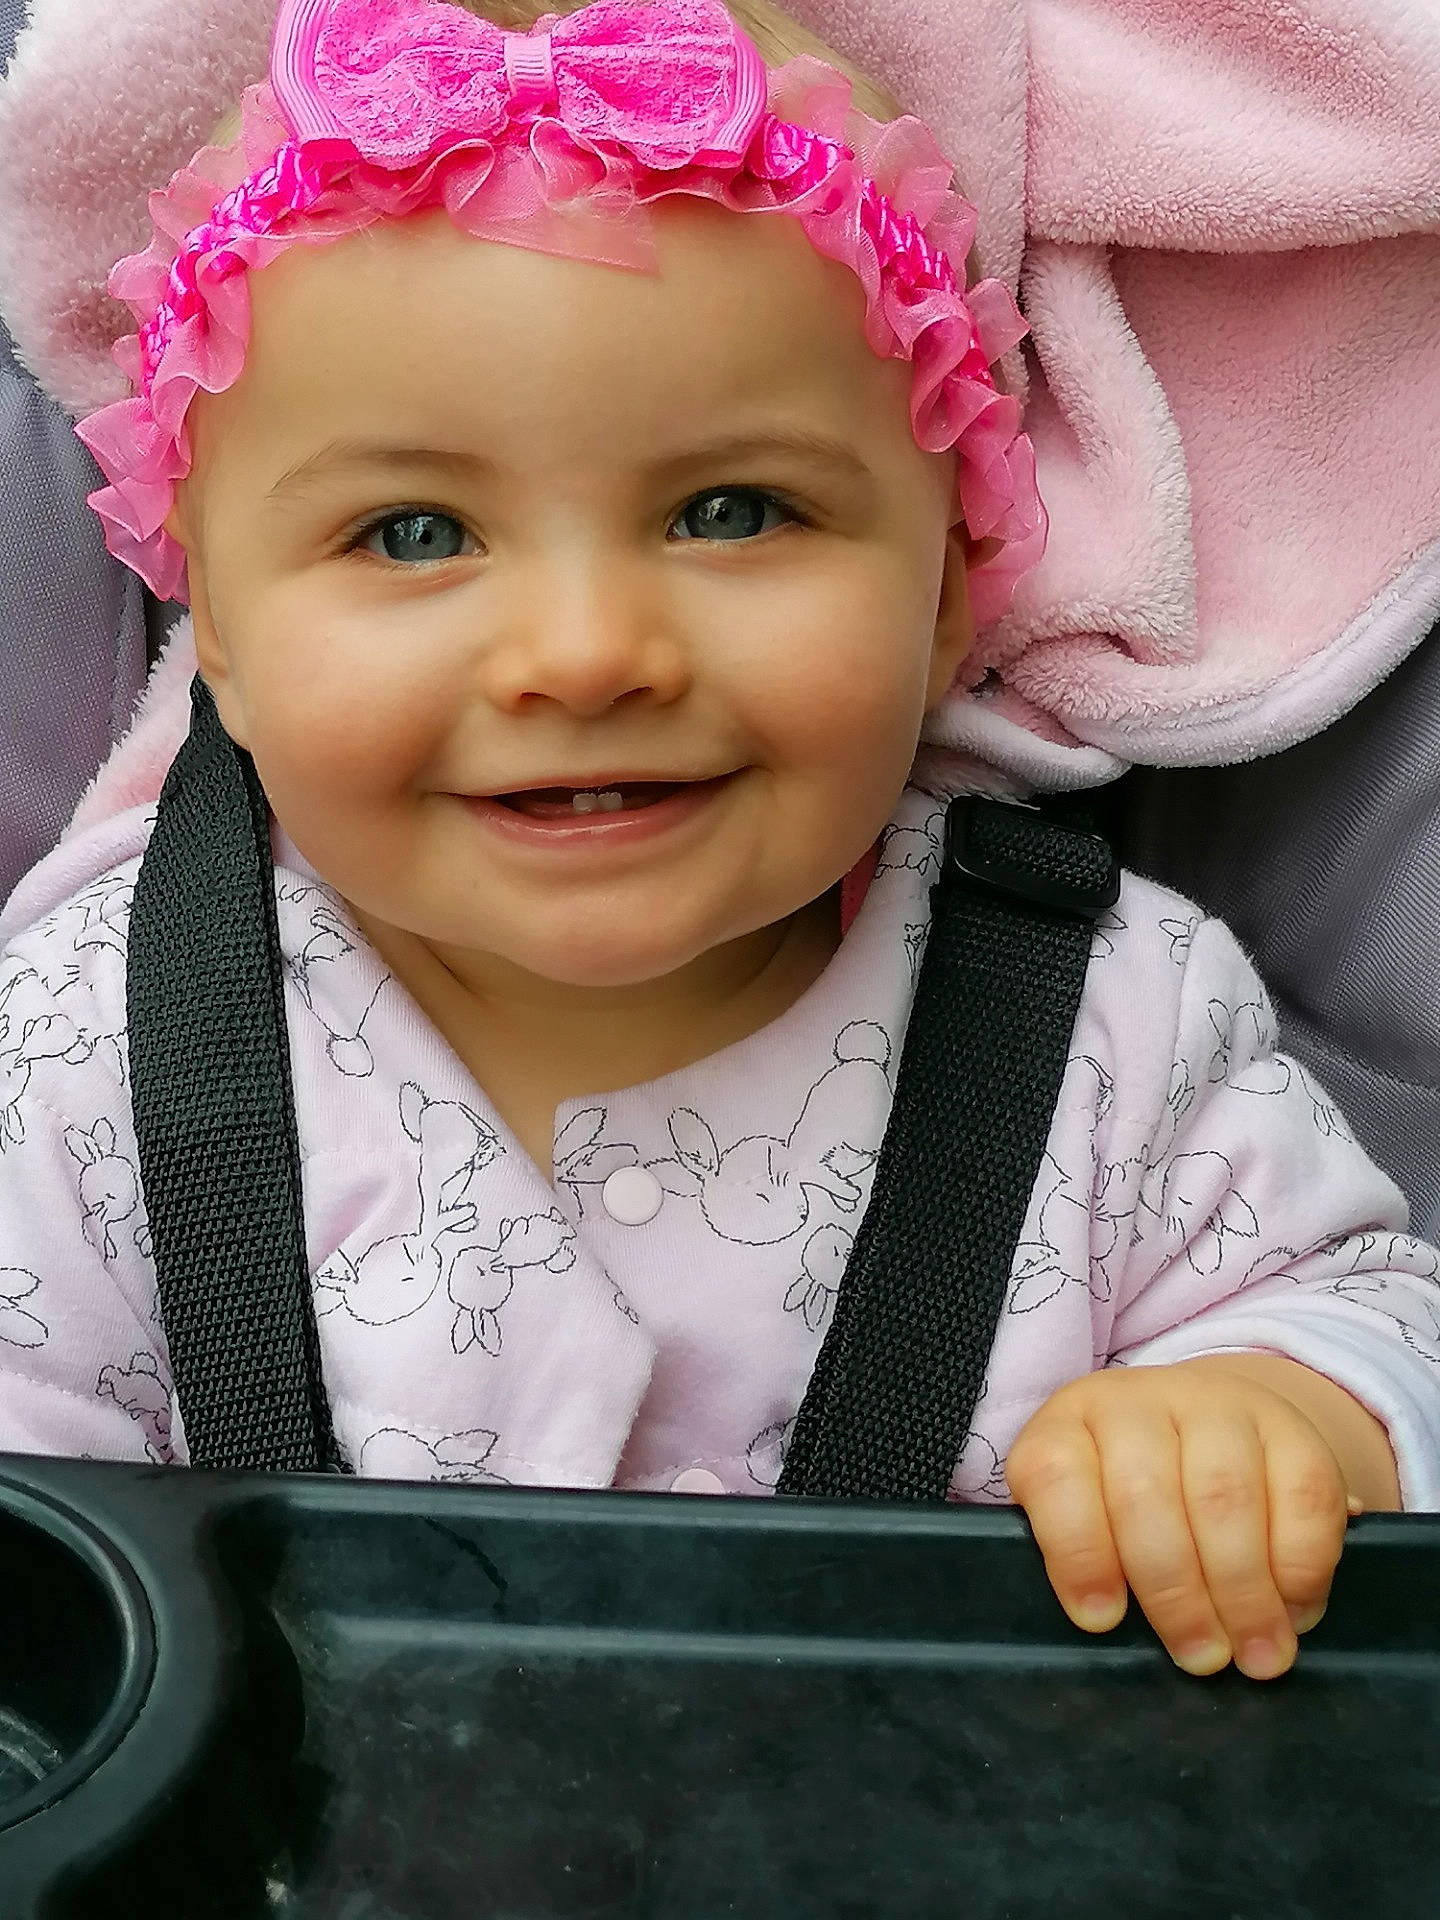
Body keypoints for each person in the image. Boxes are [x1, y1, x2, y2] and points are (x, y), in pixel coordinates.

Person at [1, 0, 1438, 1690]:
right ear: (220, 632)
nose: (589, 649)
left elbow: (1366, 1304)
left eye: (733, 511)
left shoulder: (1111, 1029)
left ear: (951, 589)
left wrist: (1277, 1409)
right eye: (412, 532)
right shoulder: (86, 1053)